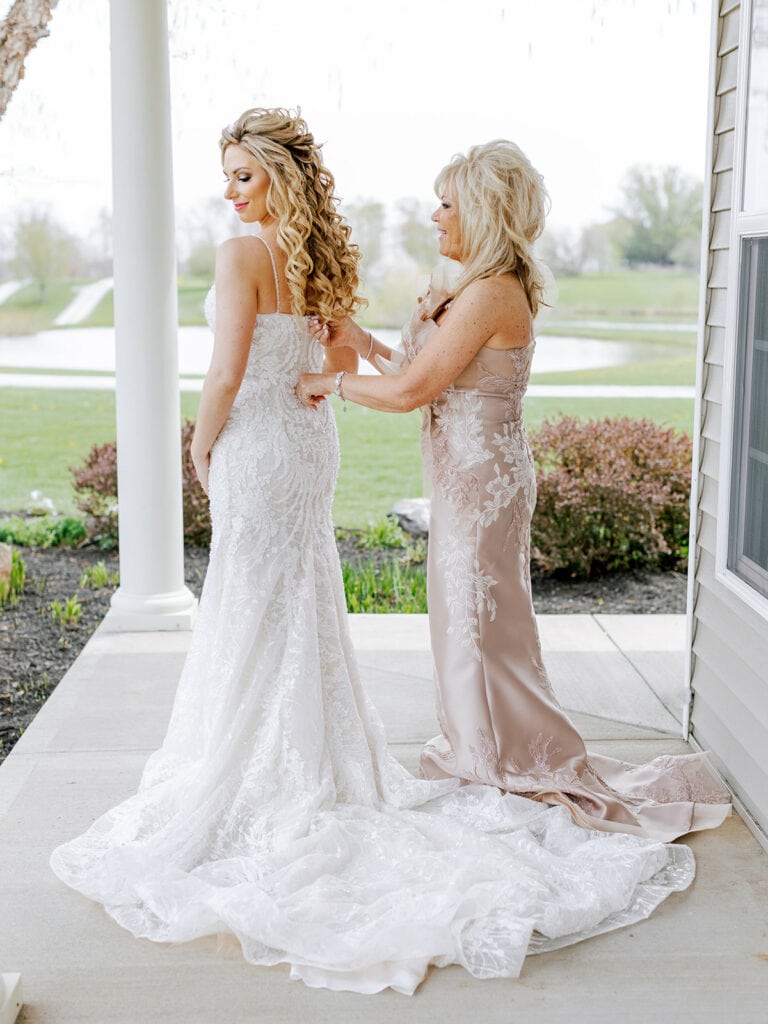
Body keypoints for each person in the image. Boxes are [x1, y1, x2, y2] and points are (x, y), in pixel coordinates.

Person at [50, 111, 711, 997]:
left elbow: (235, 375)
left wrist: (201, 446)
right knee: (307, 602)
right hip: (311, 447)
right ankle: (368, 752)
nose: (229, 191)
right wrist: (347, 354)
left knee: (272, 606)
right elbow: (377, 354)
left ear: (277, 178)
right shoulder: (322, 257)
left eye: (244, 175)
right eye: (227, 176)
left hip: (277, 438)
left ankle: (411, 757)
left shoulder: (250, 256)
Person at [297, 139, 730, 842]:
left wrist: (328, 381)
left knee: (476, 627)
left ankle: (496, 758)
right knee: (469, 622)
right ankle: (485, 748)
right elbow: (421, 367)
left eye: (448, 203)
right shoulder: (477, 285)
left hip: (480, 486)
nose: (435, 215)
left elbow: (412, 391)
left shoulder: (492, 291)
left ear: (484, 211)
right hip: (469, 477)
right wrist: (360, 340)